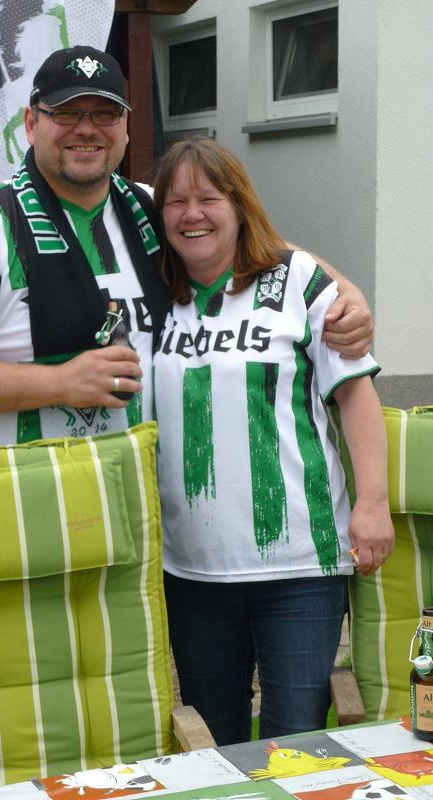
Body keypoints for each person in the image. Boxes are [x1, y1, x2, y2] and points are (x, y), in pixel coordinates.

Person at [0, 45, 373, 451]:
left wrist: (344, 293)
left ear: (125, 127)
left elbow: (252, 243)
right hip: (17, 513)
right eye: (66, 113)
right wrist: (60, 383)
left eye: (104, 114)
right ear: (31, 124)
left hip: (133, 513)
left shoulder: (149, 208)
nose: (86, 128)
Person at [151, 137, 395, 745]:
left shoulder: (299, 281)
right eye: (176, 201)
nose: (192, 214)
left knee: (296, 742)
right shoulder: (151, 296)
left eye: (209, 198)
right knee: (216, 744)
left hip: (301, 565)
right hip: (193, 569)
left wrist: (372, 502)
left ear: (239, 204)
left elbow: (355, 394)